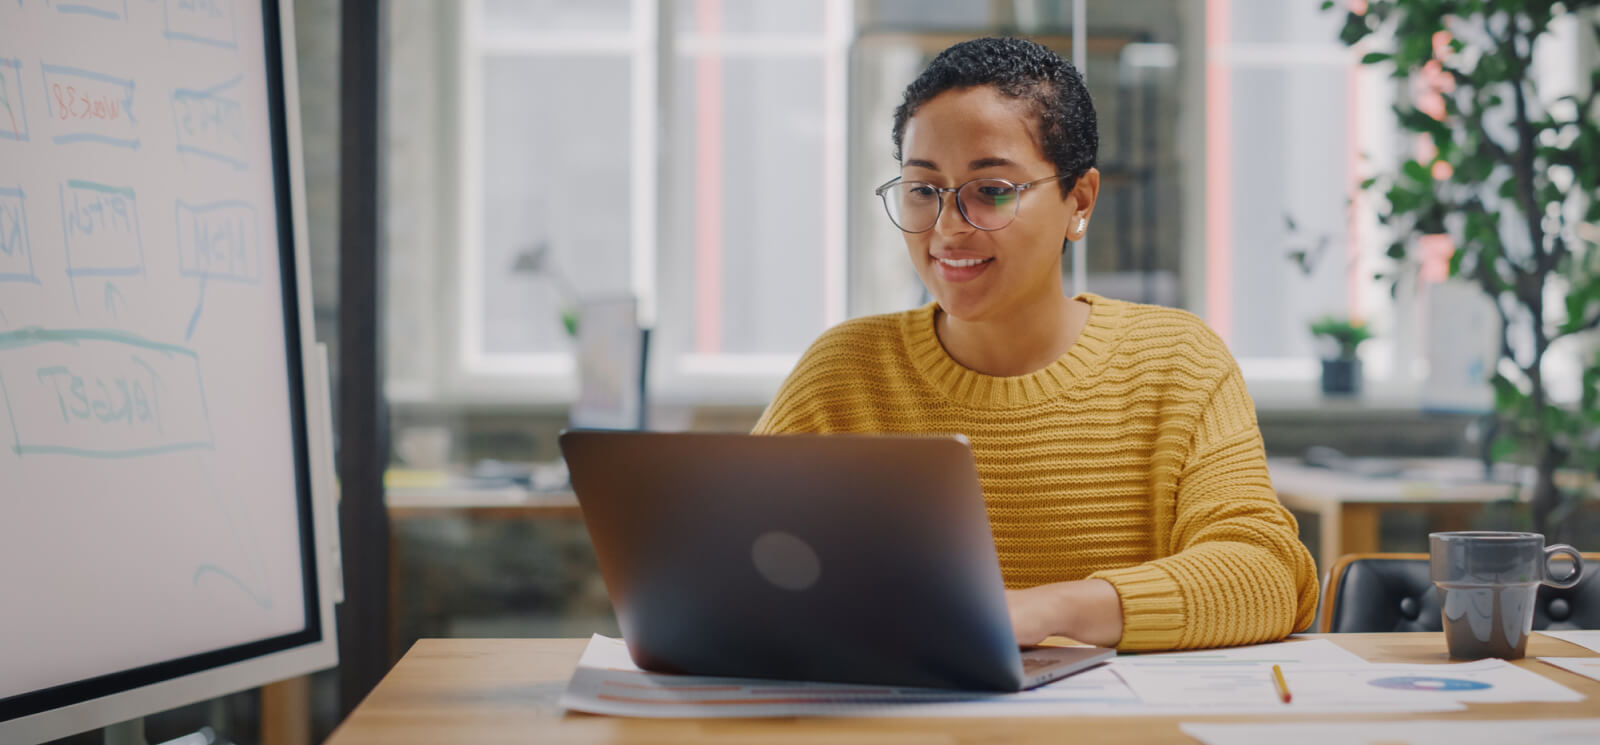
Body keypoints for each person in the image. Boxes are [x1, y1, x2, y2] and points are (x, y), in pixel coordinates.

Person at [753, 37, 1318, 651]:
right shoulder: (845, 372)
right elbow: (728, 560)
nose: (947, 229)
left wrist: (1046, 610)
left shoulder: (1176, 363)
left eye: (990, 190)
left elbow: (1265, 574)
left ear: (1078, 201)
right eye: (922, 190)